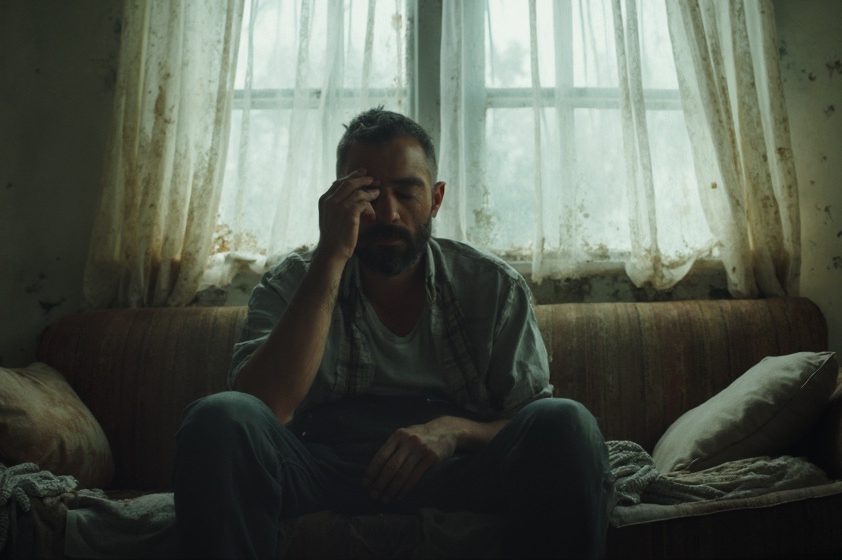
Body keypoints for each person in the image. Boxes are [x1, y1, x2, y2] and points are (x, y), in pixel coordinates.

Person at [173, 107, 613, 559]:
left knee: (568, 423)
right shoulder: (291, 283)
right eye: (367, 195)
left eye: (406, 193)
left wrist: (453, 432)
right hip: (320, 464)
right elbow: (265, 406)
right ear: (335, 201)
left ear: (436, 200)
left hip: (455, 470)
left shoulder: (492, 287)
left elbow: (528, 420)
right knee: (217, 417)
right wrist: (330, 257)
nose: (388, 214)